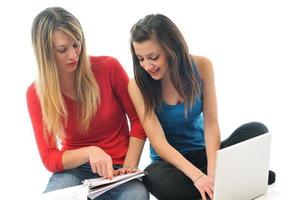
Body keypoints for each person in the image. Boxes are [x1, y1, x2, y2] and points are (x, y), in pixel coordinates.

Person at [128, 14, 275, 200]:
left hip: (204, 153)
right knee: (152, 176)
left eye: (153, 57)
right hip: (171, 165)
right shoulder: (138, 85)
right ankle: (231, 181)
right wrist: (197, 176)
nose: (147, 66)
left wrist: (213, 171)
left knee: (256, 130)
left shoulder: (202, 66)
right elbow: (159, 143)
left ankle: (216, 183)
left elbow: (211, 124)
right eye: (140, 59)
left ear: (171, 49)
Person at [27, 7, 149, 200]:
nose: (73, 55)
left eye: (77, 44)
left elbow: (139, 121)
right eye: (62, 50)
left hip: (118, 168)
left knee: (136, 195)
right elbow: (50, 157)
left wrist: (128, 168)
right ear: (45, 53)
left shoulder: (109, 68)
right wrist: (90, 152)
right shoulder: (36, 93)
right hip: (74, 171)